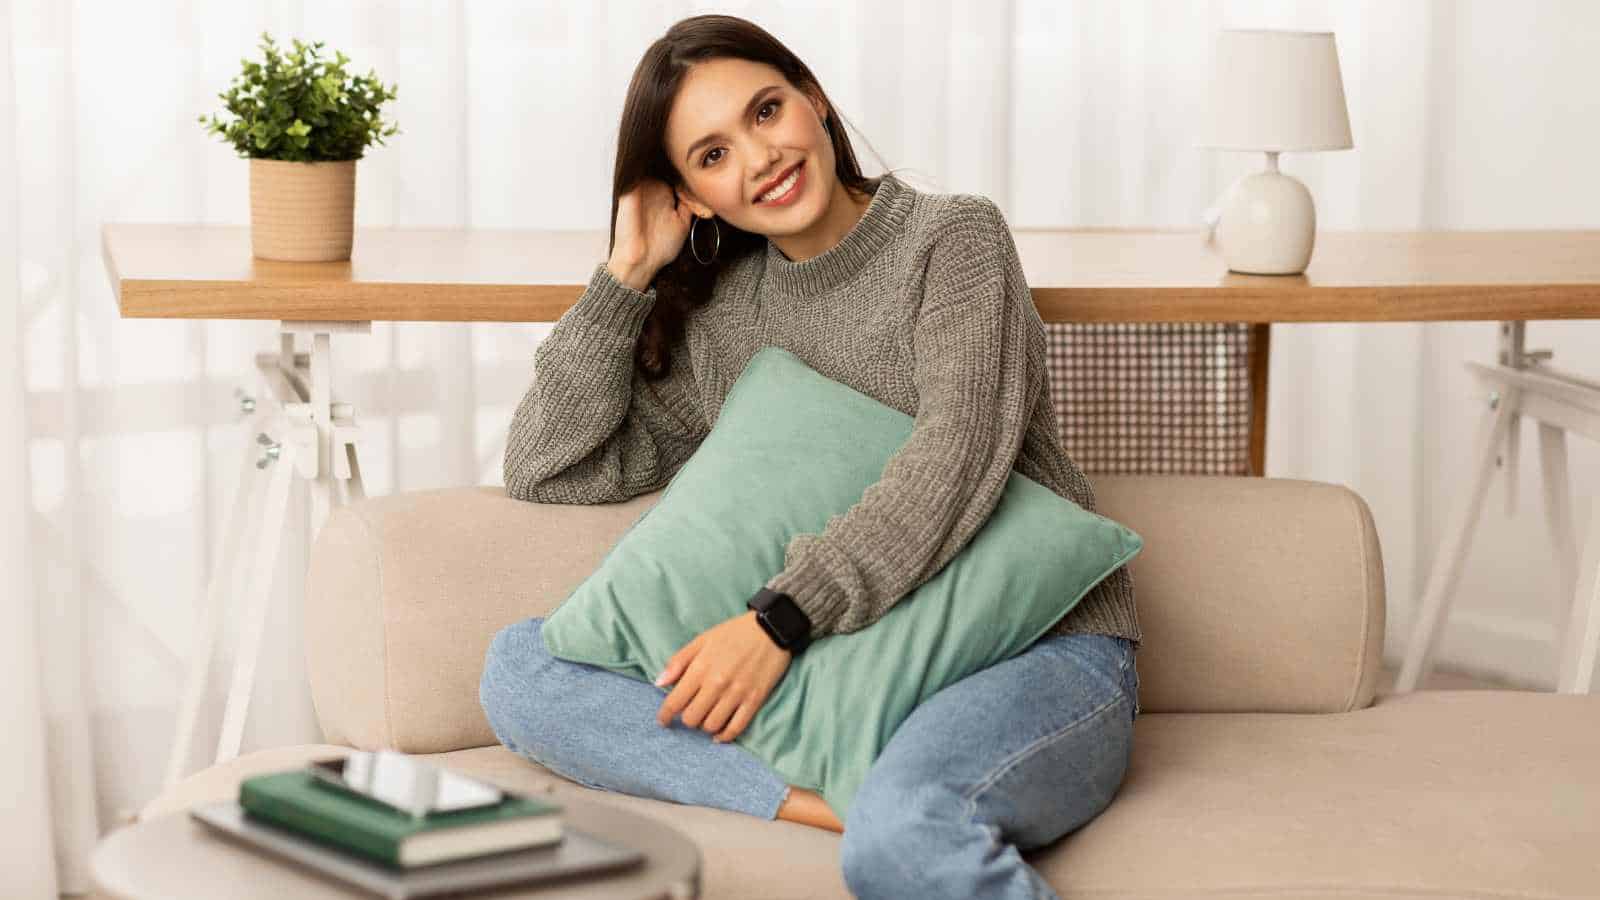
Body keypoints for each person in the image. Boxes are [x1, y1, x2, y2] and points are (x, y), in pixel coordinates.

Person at [478, 13, 1141, 900]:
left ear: (815, 102)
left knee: (902, 839)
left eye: (764, 112)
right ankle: (827, 799)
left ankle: (885, 806)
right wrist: (626, 275)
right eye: (710, 156)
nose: (757, 159)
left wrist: (777, 622)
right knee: (523, 669)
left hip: (1034, 653)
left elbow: (957, 461)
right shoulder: (725, 322)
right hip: (841, 672)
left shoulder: (954, 241)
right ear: (694, 199)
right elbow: (548, 467)